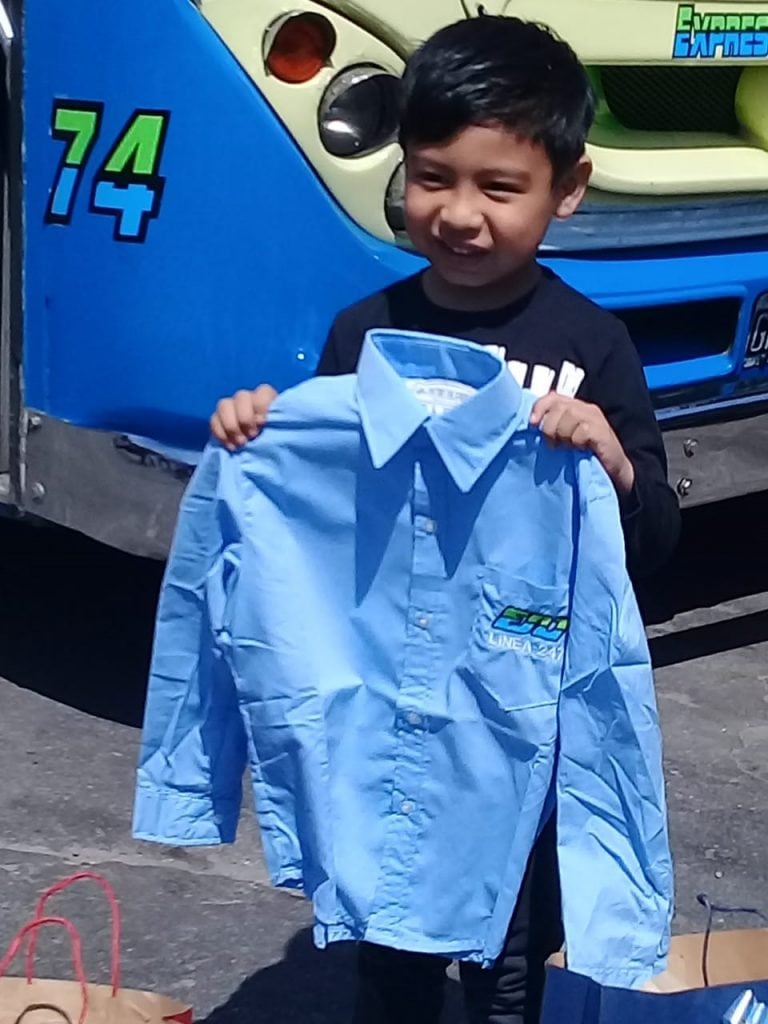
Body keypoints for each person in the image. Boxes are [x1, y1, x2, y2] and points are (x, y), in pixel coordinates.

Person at [209, 15, 681, 1024]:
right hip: (389, 719)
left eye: (497, 187)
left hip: (522, 725)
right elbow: (323, 517)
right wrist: (262, 434)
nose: (458, 213)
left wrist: (609, 456)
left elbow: (652, 544)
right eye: (432, 177)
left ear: (569, 188)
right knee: (389, 937)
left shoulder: (589, 347)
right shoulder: (367, 332)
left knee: (509, 958)